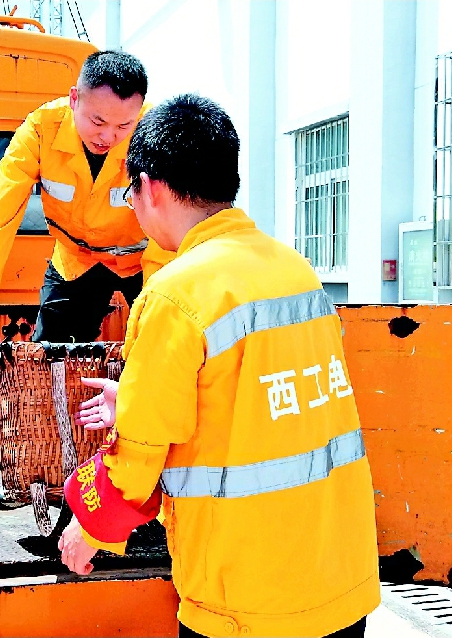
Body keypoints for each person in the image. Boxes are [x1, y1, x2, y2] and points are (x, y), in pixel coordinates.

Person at [59, 95, 380, 637]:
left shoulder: (175, 294)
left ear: (151, 188)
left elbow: (139, 454)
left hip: (247, 601)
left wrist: (90, 529)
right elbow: (263, 404)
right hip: (340, 582)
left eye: (129, 192)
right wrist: (134, 398)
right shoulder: (296, 271)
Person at [0, 50, 168, 510]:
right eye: (97, 121)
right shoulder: (40, 130)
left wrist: (156, 310)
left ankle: (155, 485)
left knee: (161, 359)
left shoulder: (153, 132)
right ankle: (33, 476)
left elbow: (167, 214)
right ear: (74, 98)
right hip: (76, 261)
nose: (109, 136)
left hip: (147, 260)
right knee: (44, 363)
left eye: (124, 125)